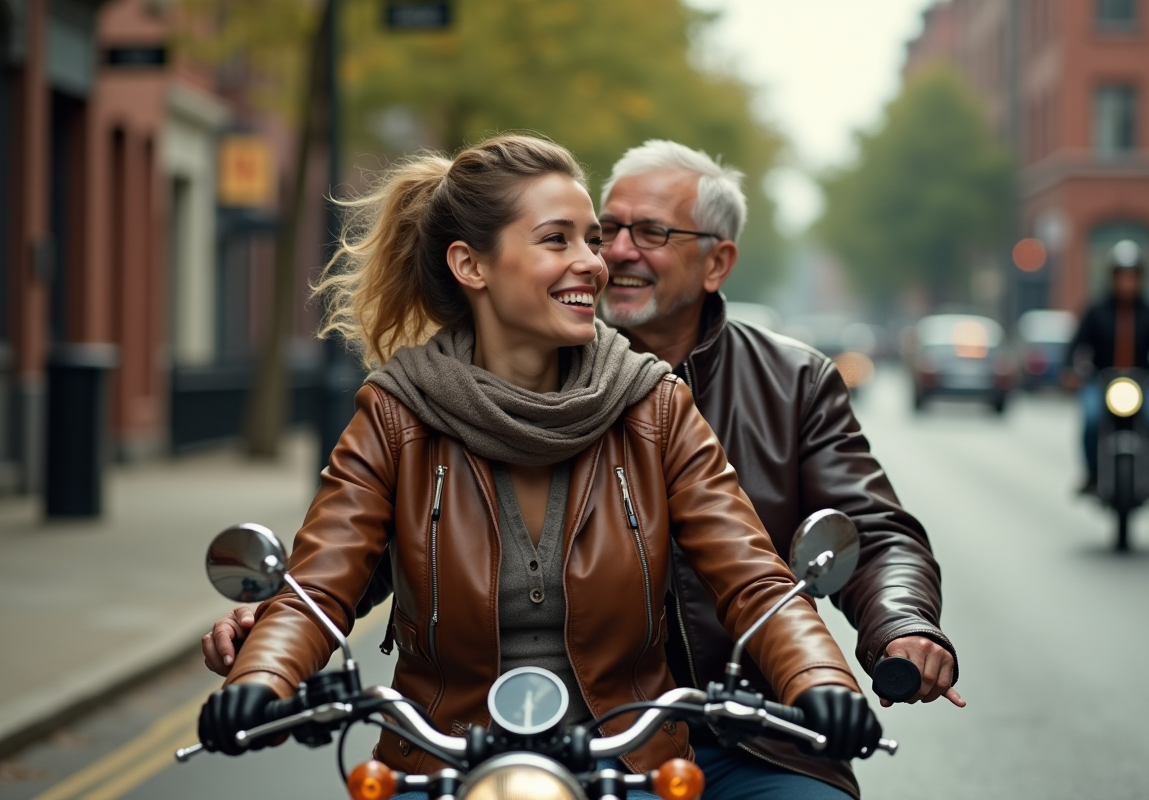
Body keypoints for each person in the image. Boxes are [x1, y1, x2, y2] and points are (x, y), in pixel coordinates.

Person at [205, 140, 959, 799]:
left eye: (593, 239)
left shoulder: (656, 403)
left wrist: (823, 680)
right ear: (471, 265)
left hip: (629, 759)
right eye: (562, 239)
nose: (597, 261)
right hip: (439, 761)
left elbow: (754, 575)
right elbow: (328, 578)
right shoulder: (395, 411)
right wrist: (264, 671)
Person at [1062, 240, 1149, 495]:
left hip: (1142, 382)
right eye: (1122, 276)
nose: (1127, 283)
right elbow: (1076, 343)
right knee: (1092, 420)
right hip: (1101, 380)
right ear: (1112, 278)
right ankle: (1092, 473)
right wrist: (1070, 369)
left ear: (1140, 279)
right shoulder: (1096, 310)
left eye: (1132, 277)